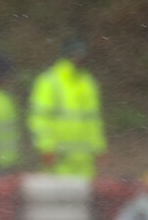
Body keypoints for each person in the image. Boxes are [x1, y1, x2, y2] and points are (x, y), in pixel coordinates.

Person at [28, 35, 106, 178]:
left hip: (85, 166)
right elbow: (39, 119)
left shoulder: (88, 82)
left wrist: (98, 148)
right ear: (67, 54)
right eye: (76, 54)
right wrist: (45, 147)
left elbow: (93, 121)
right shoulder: (49, 81)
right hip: (57, 163)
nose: (80, 58)